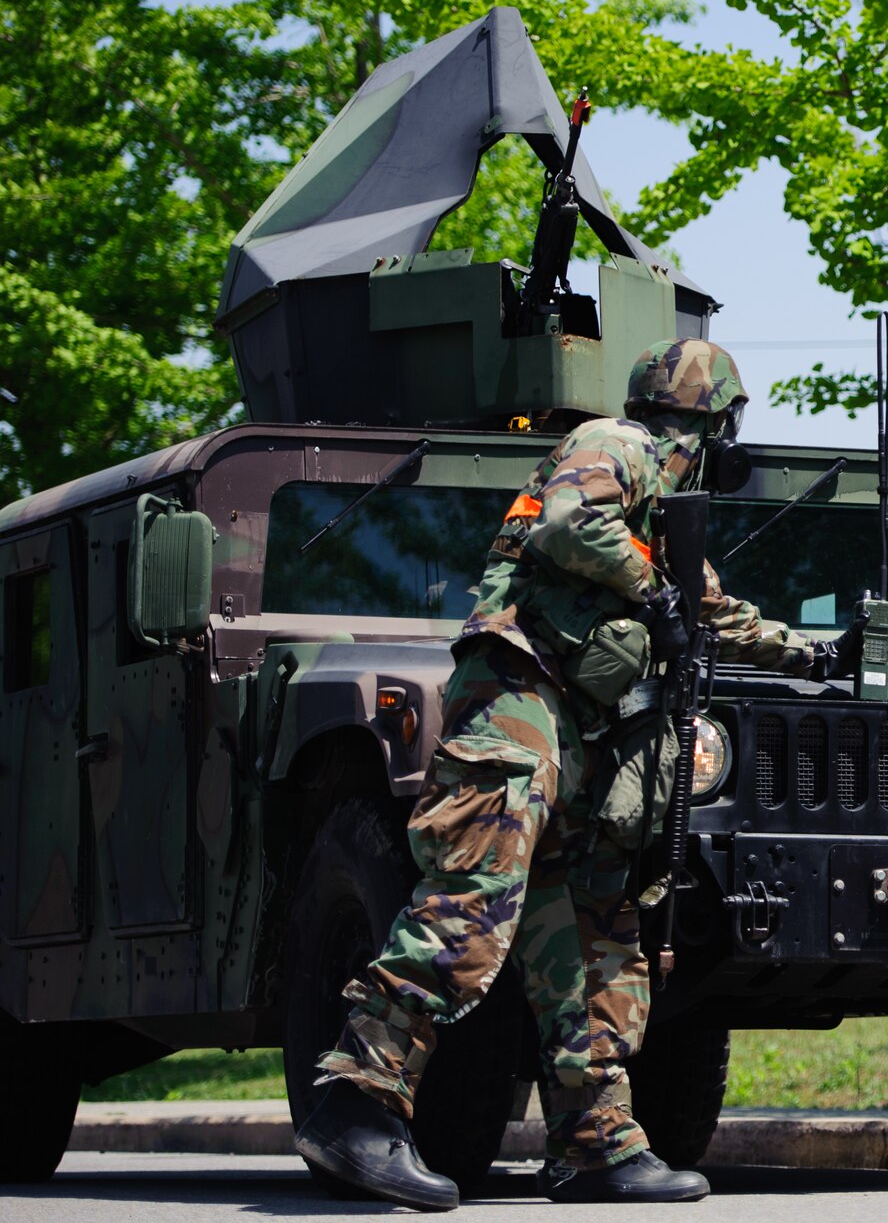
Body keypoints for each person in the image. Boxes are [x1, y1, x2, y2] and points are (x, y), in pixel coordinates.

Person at [294, 340, 853, 1210]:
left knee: (598, 930)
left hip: (585, 728)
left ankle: (596, 1142)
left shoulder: (664, 509)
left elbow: (714, 610)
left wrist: (815, 655)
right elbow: (569, 525)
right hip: (518, 699)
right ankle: (355, 1104)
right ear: (712, 420)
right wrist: (651, 593)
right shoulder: (616, 446)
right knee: (472, 900)